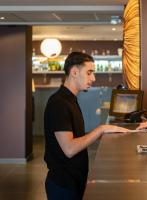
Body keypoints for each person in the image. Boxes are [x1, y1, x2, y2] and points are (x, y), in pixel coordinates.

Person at [44, 52, 129, 200]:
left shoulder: (71, 99)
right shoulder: (59, 103)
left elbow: (76, 138)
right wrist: (101, 129)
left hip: (74, 180)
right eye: (89, 73)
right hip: (63, 184)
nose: (93, 78)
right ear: (74, 72)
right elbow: (69, 149)